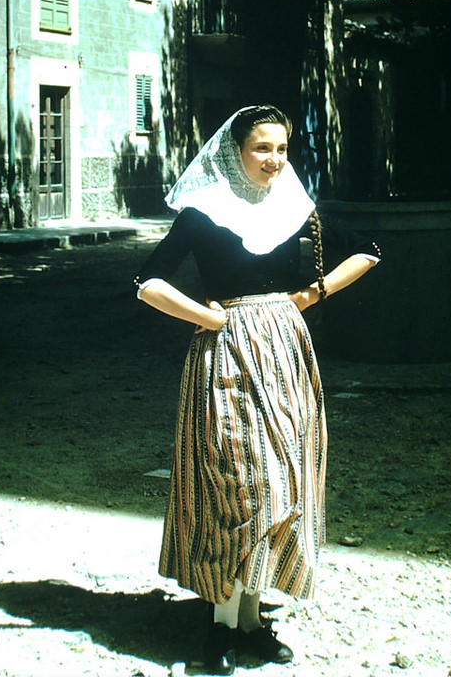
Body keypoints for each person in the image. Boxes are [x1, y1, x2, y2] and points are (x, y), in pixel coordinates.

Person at [134, 105, 381, 675]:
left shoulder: (296, 209)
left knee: (284, 484)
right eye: (261, 148)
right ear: (234, 151)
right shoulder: (204, 212)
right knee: (239, 485)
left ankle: (250, 621)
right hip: (226, 357)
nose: (273, 160)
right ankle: (221, 627)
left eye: (281, 149)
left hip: (286, 355)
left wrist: (309, 296)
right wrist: (207, 317)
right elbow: (145, 281)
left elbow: (367, 250)